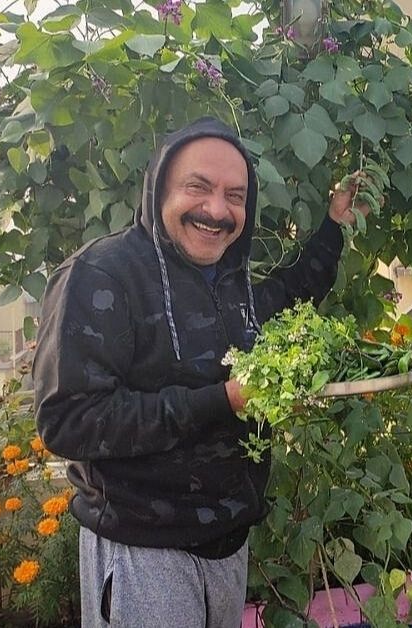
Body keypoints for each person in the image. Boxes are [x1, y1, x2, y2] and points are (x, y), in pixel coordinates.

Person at [34, 117, 370, 628]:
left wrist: (334, 225)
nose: (217, 210)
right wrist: (225, 399)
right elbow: (69, 420)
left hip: (228, 543)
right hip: (143, 550)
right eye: (199, 187)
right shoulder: (102, 276)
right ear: (159, 188)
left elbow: (291, 293)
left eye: (235, 196)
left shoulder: (230, 281)